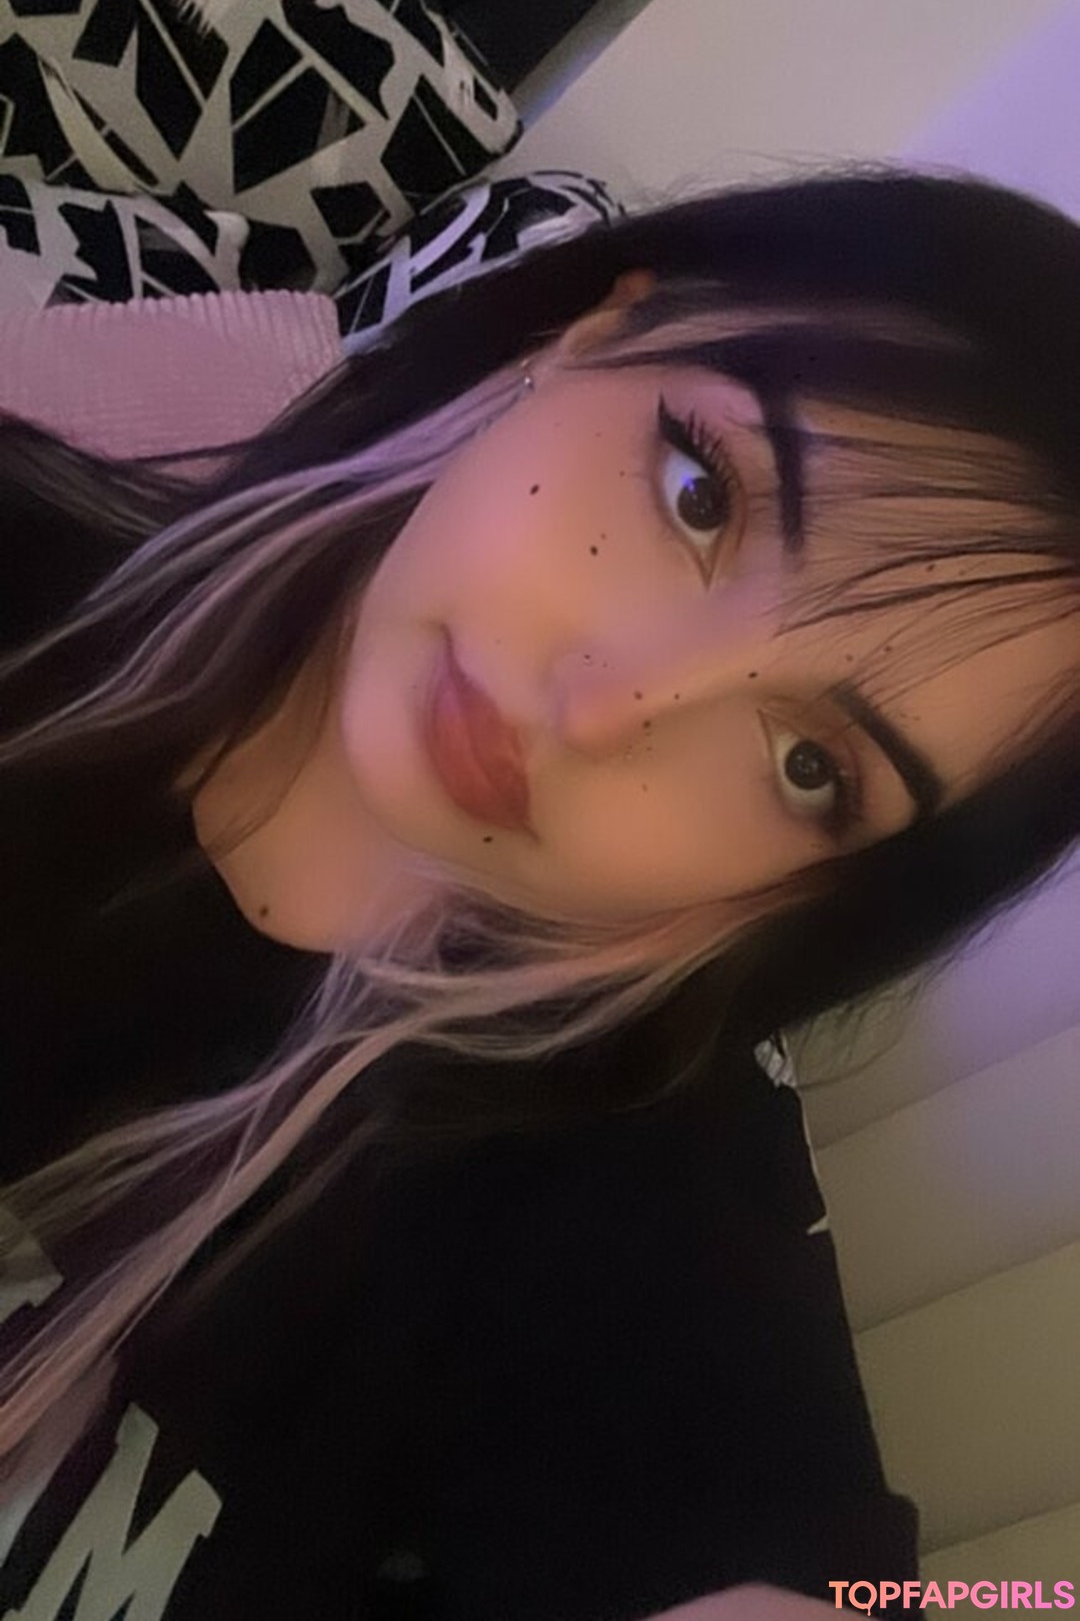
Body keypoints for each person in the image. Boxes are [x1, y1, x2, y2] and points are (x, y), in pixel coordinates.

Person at [2, 166, 1080, 1620]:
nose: (607, 708)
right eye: (702, 494)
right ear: (589, 332)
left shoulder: (617, 1202)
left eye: (809, 765)